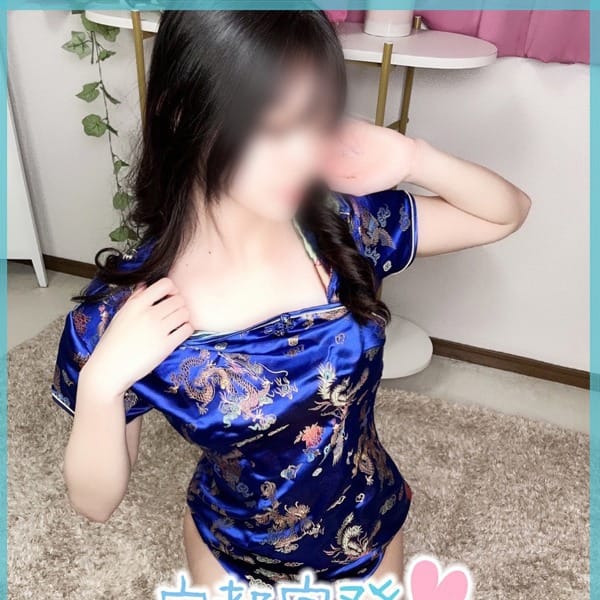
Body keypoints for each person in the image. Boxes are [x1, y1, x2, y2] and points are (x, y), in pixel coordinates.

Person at [51, 10, 530, 591]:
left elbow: (506, 214)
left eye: (316, 121)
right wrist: (101, 385)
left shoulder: (342, 226)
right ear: (181, 112)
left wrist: (415, 158)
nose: (303, 155)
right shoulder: (121, 316)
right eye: (274, 127)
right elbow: (94, 503)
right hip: (233, 554)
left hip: (367, 534)